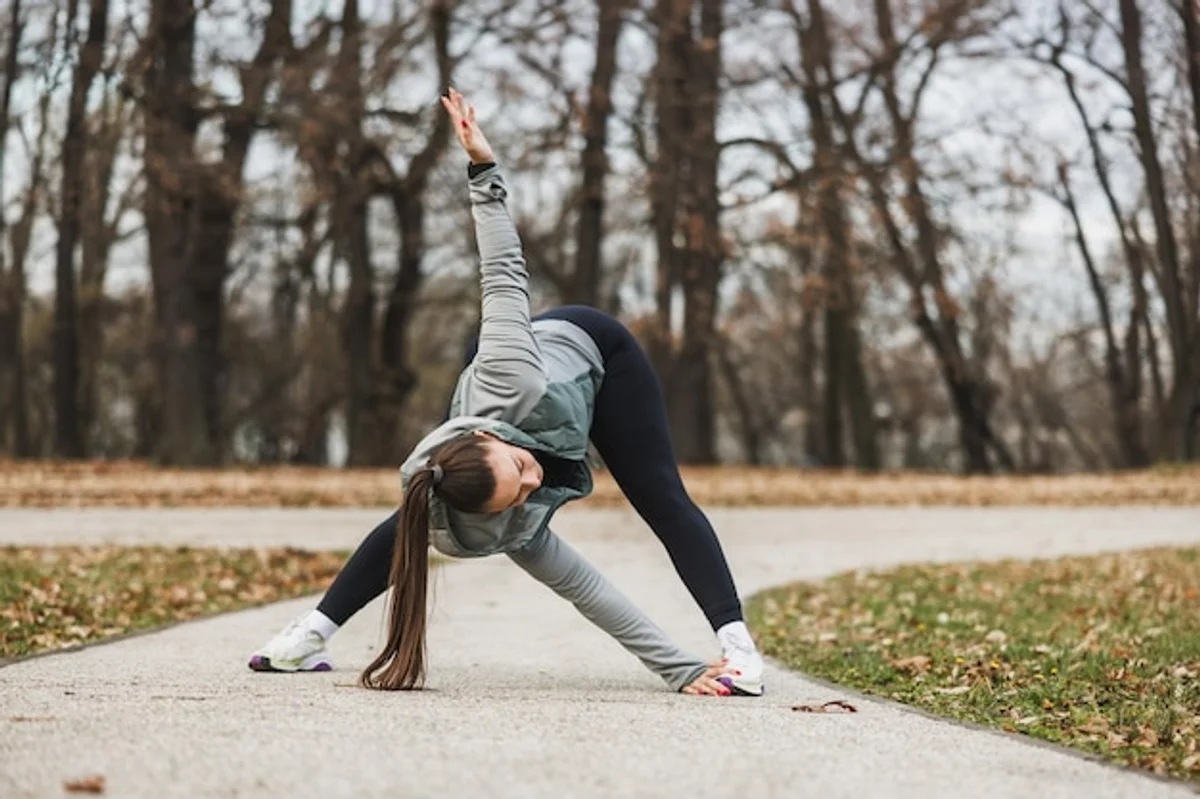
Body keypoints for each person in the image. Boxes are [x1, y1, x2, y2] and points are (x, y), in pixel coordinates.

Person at [248, 88, 765, 697]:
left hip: (590, 356)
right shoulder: (506, 520)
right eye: (518, 493)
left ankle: (739, 646)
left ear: (485, 437)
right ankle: (308, 635)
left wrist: (482, 169)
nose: (532, 483)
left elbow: (501, 270)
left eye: (519, 471)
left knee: (659, 494)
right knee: (418, 510)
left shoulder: (506, 373)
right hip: (511, 406)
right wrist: (680, 670)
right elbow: (588, 589)